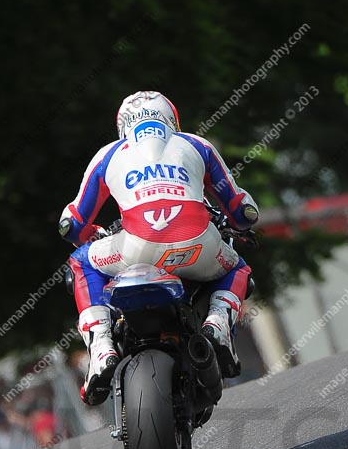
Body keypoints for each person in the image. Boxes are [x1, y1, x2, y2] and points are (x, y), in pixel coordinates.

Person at [59, 91, 259, 405]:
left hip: (133, 249)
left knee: (81, 262)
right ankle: (218, 323)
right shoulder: (197, 144)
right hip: (200, 248)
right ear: (172, 119)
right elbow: (240, 208)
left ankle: (101, 347)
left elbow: (72, 222)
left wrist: (88, 235)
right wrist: (242, 222)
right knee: (238, 267)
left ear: (122, 125)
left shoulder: (108, 154)